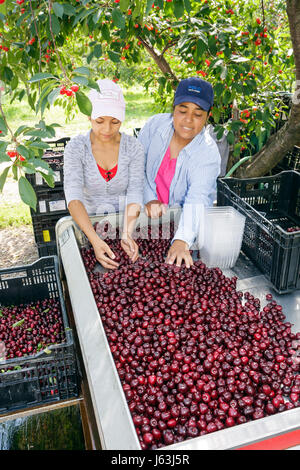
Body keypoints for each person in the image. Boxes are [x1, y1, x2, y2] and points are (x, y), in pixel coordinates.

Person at [138, 76, 221, 268]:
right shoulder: (154, 126)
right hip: (144, 215)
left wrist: (182, 239)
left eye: (198, 114)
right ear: (173, 109)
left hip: (182, 222)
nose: (188, 120)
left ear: (208, 116)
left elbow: (198, 198)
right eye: (182, 111)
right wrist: (149, 197)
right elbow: (137, 167)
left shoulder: (207, 154)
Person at [63, 79, 145, 270]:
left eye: (115, 122)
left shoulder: (133, 147)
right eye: (99, 121)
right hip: (88, 225)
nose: (107, 129)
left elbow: (135, 192)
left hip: (126, 223)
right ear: (89, 117)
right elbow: (74, 198)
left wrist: (127, 233)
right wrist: (94, 240)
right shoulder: (76, 148)